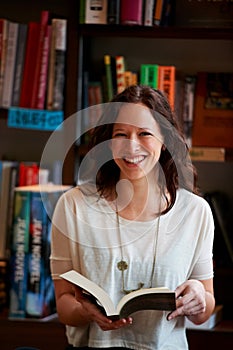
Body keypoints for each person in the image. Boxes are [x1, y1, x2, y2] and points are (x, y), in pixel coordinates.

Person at [50, 85, 215, 350]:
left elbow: (204, 310)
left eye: (144, 134)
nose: (132, 146)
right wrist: (85, 310)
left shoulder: (196, 212)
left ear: (165, 141)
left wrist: (198, 297)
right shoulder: (73, 206)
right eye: (121, 134)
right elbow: (64, 302)